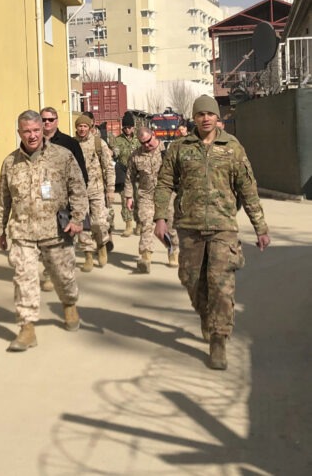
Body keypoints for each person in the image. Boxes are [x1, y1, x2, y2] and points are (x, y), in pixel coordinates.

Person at [153, 95, 270, 370]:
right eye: (200, 114)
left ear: (218, 118)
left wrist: (260, 227)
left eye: (210, 114)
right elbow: (164, 183)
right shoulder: (180, 148)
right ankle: (207, 317)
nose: (205, 118)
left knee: (220, 285)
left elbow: (247, 188)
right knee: (192, 280)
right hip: (190, 226)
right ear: (193, 118)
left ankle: (218, 339)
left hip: (223, 227)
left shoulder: (232, 148)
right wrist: (160, 218)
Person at [0, 110, 88, 352]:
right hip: (22, 231)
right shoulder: (9, 162)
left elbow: (78, 188)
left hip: (55, 230)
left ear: (42, 130)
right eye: (27, 131)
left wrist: (78, 219)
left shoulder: (62, 156)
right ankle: (27, 328)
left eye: (36, 130)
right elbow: (3, 198)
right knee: (24, 279)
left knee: (63, 276)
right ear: (19, 133)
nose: (32, 135)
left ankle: (69, 304)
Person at [39, 106, 88, 292]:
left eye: (50, 120)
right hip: (42, 201)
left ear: (57, 121)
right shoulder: (34, 142)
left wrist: (79, 204)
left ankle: (65, 273)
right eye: (43, 119)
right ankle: (49, 272)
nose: (46, 123)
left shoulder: (69, 143)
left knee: (64, 240)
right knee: (45, 239)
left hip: (64, 202)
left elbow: (81, 174)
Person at [124, 127, 179, 273]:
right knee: (146, 223)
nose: (146, 145)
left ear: (153, 135)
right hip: (146, 195)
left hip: (168, 194)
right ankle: (145, 257)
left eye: (148, 141)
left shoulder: (167, 150)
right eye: (143, 143)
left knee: (171, 226)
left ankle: (173, 250)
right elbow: (129, 177)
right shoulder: (136, 155)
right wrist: (129, 197)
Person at [74, 114, 115, 272]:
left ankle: (102, 245)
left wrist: (110, 189)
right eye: (80, 126)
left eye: (85, 126)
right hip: (78, 192)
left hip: (97, 190)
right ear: (76, 128)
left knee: (99, 222)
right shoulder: (72, 144)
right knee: (83, 225)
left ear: (90, 127)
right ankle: (88, 256)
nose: (82, 129)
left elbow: (108, 167)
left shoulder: (99, 143)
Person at [111, 111, 140, 237]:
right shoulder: (118, 140)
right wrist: (113, 153)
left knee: (139, 200)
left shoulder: (139, 139)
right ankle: (128, 225)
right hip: (124, 173)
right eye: (125, 127)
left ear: (133, 127)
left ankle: (139, 224)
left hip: (139, 174)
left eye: (129, 127)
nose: (127, 130)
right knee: (125, 200)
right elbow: (115, 153)